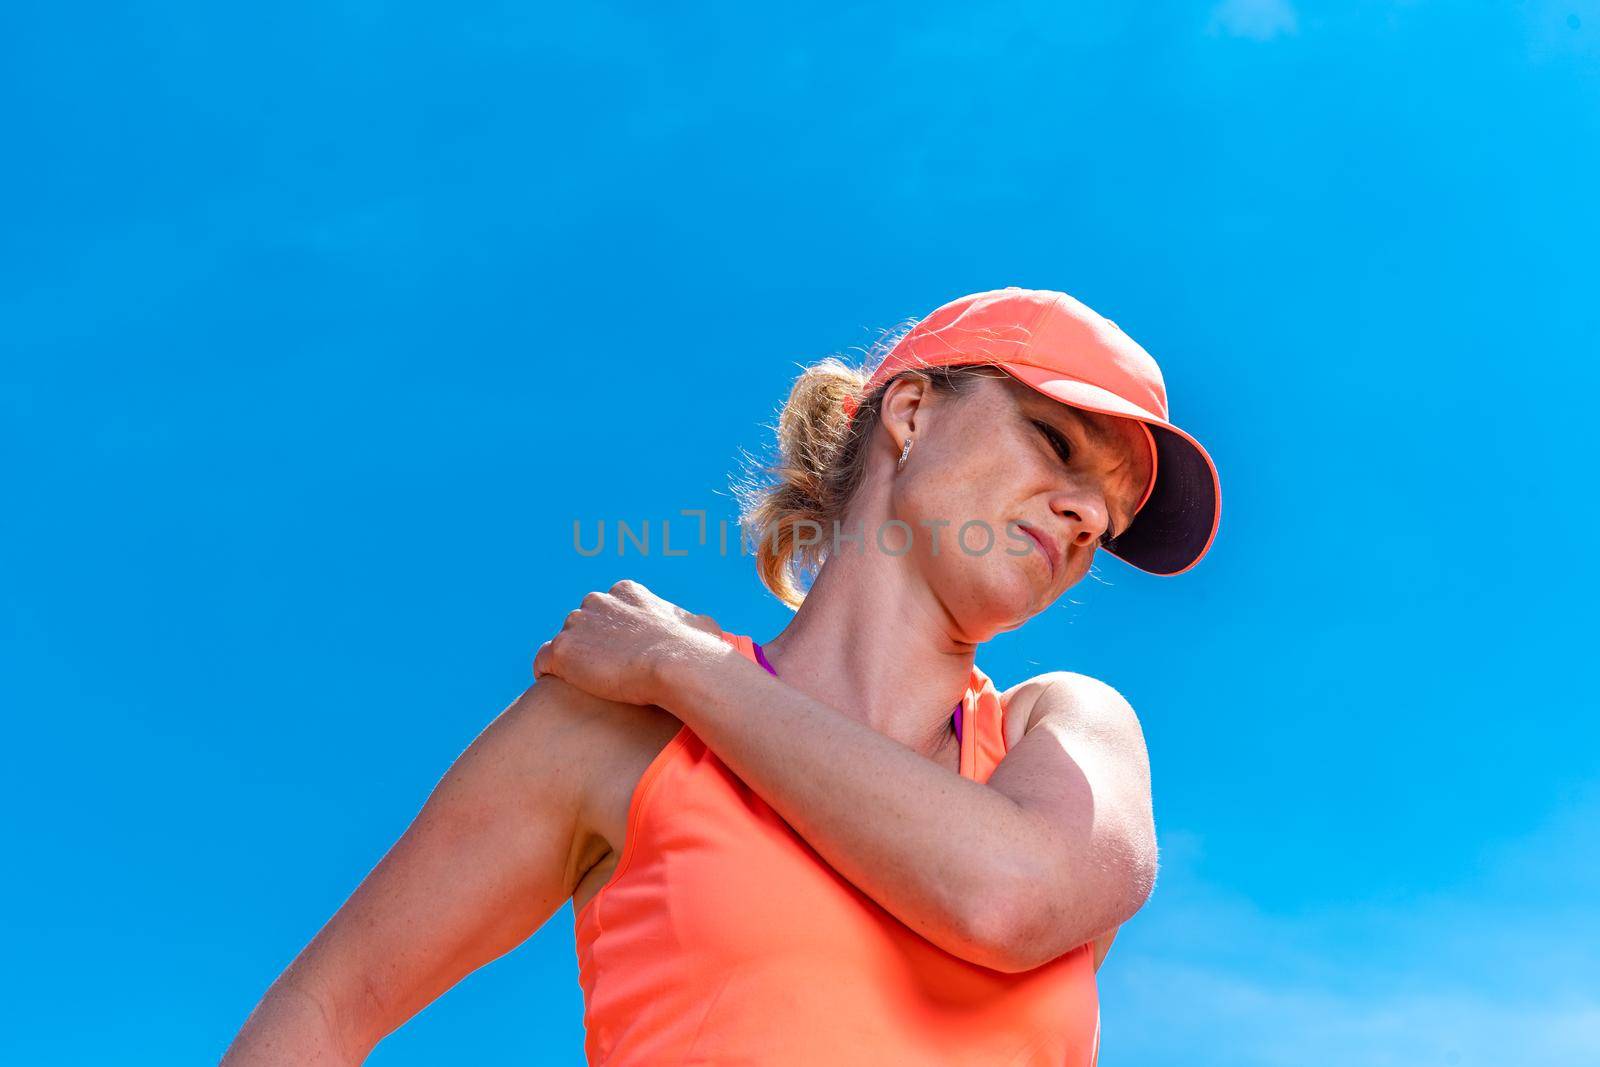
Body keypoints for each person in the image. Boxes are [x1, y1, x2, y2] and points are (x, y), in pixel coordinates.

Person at [222, 286, 1222, 1066]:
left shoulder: (1062, 728)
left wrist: (685, 666)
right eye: (1055, 442)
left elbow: (1012, 899)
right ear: (911, 411)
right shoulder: (619, 736)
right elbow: (326, 1005)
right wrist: (673, 687)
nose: (1087, 515)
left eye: (1112, 511)